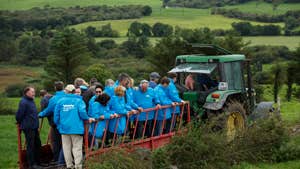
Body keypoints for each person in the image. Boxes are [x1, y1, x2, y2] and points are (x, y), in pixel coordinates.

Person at [54, 84, 95, 169]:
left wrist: (59, 126)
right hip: (76, 128)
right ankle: (78, 166)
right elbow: (83, 113)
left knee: (66, 148)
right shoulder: (79, 101)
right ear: (73, 91)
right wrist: (87, 119)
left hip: (64, 129)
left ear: (66, 91)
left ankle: (69, 166)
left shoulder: (60, 101)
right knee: (77, 148)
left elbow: (56, 116)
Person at [38, 81, 65, 164]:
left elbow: (48, 110)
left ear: (55, 88)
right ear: (63, 87)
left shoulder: (54, 99)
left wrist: (40, 114)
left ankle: (58, 160)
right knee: (66, 142)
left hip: (56, 124)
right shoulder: (67, 97)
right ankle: (66, 159)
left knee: (55, 142)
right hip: (68, 124)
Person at [16, 87, 42, 169]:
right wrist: (21, 122)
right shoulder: (23, 102)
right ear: (27, 92)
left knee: (37, 144)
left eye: (34, 91)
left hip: (34, 127)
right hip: (28, 127)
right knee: (30, 146)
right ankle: (32, 165)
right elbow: (19, 115)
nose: (34, 93)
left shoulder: (31, 101)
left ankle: (38, 163)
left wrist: (36, 125)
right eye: (32, 92)